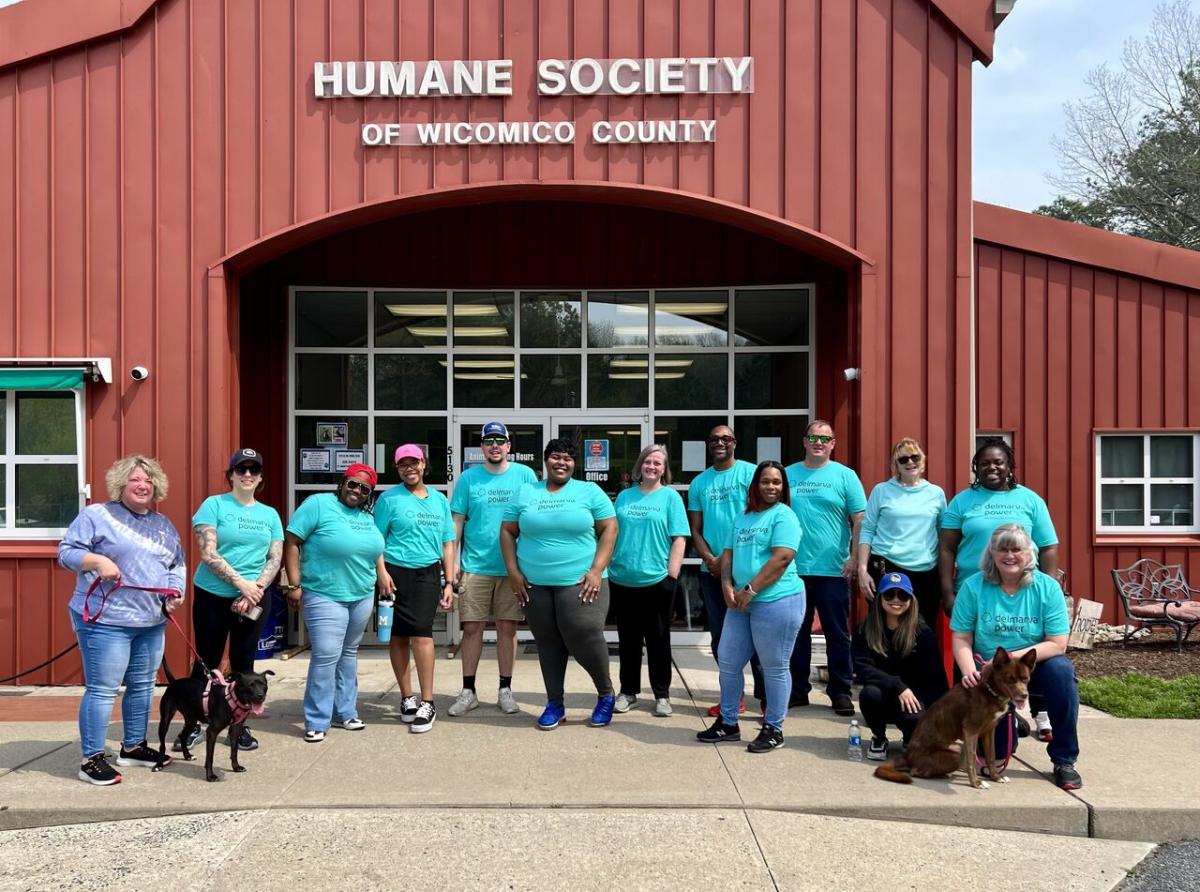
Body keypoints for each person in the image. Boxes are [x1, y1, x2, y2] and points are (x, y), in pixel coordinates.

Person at [58, 455, 187, 785]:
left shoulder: (164, 525)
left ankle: (133, 747)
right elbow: (66, 552)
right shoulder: (96, 515)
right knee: (103, 689)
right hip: (106, 620)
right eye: (135, 479)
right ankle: (91, 758)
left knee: (143, 686)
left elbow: (176, 565)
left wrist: (174, 592)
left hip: (150, 620)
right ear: (121, 484)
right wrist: (97, 559)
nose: (143, 485)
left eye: (148, 480)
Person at [939, 437, 1059, 740]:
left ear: (1009, 466)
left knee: (1029, 657)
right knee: (970, 664)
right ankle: (974, 727)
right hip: (974, 592)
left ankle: (1038, 712)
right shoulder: (963, 501)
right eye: (984, 463)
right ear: (975, 468)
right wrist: (948, 592)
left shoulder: (1030, 500)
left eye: (998, 462)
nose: (991, 467)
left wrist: (1048, 586)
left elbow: (1048, 547)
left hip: (1023, 588)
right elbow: (946, 548)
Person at [950, 524, 1081, 790]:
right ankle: (1011, 725)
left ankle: (1064, 759)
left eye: (1016, 549)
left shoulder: (1047, 587)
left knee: (1062, 673)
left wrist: (1014, 656)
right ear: (992, 554)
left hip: (1033, 666)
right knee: (995, 758)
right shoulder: (973, 587)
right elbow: (961, 638)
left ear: (1028, 553)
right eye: (1003, 549)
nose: (1009, 555)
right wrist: (968, 672)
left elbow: (1058, 643)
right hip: (991, 672)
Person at [500, 438, 618, 730]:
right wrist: (513, 571)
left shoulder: (589, 491)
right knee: (548, 643)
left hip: (581, 581)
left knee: (585, 635)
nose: (561, 462)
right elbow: (507, 530)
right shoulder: (527, 492)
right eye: (556, 457)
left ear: (574, 464)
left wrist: (596, 570)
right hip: (535, 584)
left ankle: (605, 693)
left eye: (567, 458)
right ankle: (555, 703)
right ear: (546, 461)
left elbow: (610, 528)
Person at [696, 461, 804, 753]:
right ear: (755, 485)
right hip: (741, 602)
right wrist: (727, 587)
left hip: (777, 601)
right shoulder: (743, 518)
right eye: (765, 481)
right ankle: (728, 722)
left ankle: (774, 728)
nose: (771, 487)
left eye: (777, 483)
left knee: (774, 667)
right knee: (728, 661)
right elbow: (727, 555)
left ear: (783, 488)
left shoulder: (785, 516)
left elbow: (781, 559)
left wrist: (751, 589)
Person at [180, 447, 283, 753]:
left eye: (253, 470)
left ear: (261, 476)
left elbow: (274, 557)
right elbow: (208, 553)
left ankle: (238, 726)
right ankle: (194, 724)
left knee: (244, 665)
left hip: (255, 597)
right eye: (241, 470)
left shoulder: (270, 514)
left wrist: (256, 590)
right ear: (231, 475)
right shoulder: (214, 505)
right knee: (207, 663)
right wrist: (241, 584)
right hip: (214, 594)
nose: (247, 475)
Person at [283, 463, 391, 743]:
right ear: (342, 483)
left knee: (348, 654)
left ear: (369, 494)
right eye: (352, 484)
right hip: (324, 593)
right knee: (326, 655)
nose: (356, 491)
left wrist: (381, 572)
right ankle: (317, 720)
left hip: (361, 593)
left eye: (364, 488)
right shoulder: (319, 504)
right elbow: (292, 542)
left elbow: (374, 548)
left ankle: (345, 712)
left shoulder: (366, 516)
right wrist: (294, 584)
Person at [447, 421, 537, 718]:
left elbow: (534, 517)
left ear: (509, 446)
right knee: (471, 628)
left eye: (500, 440)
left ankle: (505, 689)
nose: (495, 445)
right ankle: (468, 690)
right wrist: (454, 561)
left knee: (507, 629)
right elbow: (457, 521)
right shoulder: (469, 479)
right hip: (476, 566)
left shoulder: (525, 475)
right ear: (481, 447)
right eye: (489, 441)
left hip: (512, 568)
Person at [785, 419, 866, 716]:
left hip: (833, 569)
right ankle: (797, 690)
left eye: (825, 438)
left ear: (833, 444)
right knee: (796, 633)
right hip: (792, 568)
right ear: (804, 442)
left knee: (836, 634)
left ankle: (841, 692)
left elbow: (860, 519)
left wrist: (855, 557)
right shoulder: (788, 474)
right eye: (813, 438)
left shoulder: (845, 476)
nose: (819, 443)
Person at [374, 444, 456, 733]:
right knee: (397, 636)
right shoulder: (388, 499)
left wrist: (449, 580)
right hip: (394, 573)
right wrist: (381, 573)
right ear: (397, 469)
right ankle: (407, 698)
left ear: (424, 464)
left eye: (414, 463)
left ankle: (428, 701)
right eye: (403, 465)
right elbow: (376, 540)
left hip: (427, 573)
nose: (409, 469)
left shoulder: (439, 500)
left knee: (422, 633)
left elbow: (448, 542)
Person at [609, 444, 690, 717]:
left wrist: (672, 576)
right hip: (623, 579)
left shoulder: (670, 498)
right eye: (648, 462)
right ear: (640, 465)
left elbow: (679, 538)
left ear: (664, 469)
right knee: (627, 640)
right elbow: (613, 534)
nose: (652, 467)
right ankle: (628, 691)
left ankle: (662, 695)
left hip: (657, 580)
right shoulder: (624, 497)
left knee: (658, 640)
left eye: (658, 463)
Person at [687, 424, 759, 716]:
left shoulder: (750, 473)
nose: (720, 443)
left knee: (758, 637)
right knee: (721, 638)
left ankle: (767, 700)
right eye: (714, 439)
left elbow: (760, 517)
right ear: (708, 444)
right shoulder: (699, 483)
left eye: (725, 439)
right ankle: (734, 697)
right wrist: (710, 560)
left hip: (748, 570)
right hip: (713, 572)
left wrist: (733, 562)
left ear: (734, 443)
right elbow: (696, 529)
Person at [852, 572, 948, 761]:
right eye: (889, 595)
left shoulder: (923, 633)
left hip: (912, 700)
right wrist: (898, 686)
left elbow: (936, 678)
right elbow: (863, 669)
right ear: (880, 598)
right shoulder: (865, 630)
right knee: (869, 694)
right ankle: (879, 738)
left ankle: (910, 738)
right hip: (882, 695)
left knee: (914, 715)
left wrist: (939, 718)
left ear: (911, 600)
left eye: (903, 595)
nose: (896, 600)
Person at [856, 438, 947, 634]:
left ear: (922, 460)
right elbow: (867, 529)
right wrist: (862, 570)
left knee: (923, 630)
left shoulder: (936, 493)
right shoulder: (882, 491)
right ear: (895, 465)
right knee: (884, 628)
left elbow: (943, 534)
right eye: (903, 459)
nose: (910, 463)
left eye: (914, 457)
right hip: (886, 566)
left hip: (926, 570)